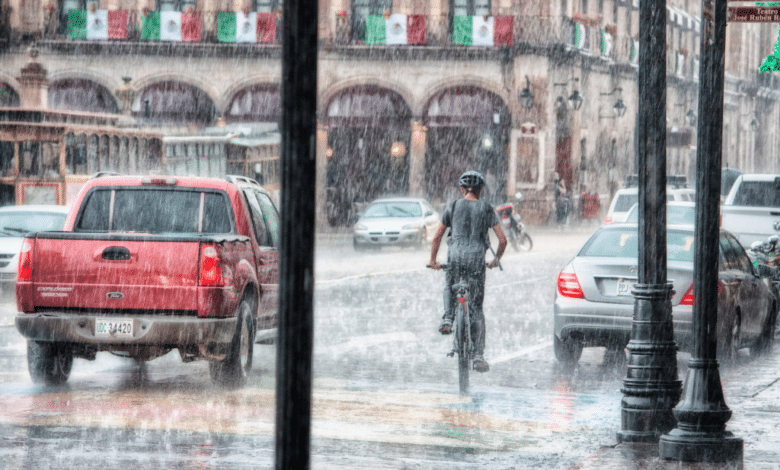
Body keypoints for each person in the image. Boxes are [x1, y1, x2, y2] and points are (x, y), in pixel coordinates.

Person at [428, 170, 507, 373]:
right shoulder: (487, 209)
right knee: (476, 310)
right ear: (480, 190)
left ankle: (447, 317)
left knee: (449, 284)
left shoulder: (453, 206)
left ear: (462, 189)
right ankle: (478, 355)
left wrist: (433, 260)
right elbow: (503, 240)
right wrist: (495, 260)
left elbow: (437, 237)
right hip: (476, 261)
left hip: (455, 257)